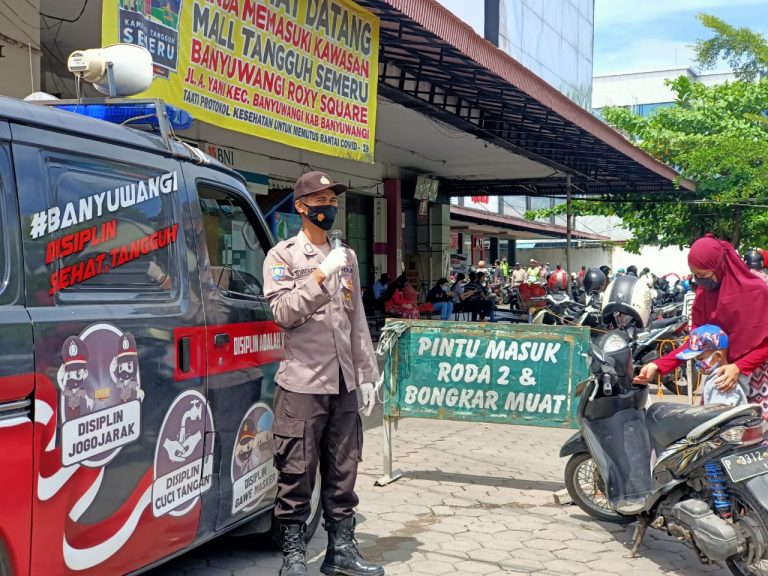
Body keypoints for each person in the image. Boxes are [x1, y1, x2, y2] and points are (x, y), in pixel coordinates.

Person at [262, 171, 384, 576]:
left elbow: (357, 319)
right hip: (302, 382)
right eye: (320, 200)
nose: (328, 207)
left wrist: (367, 373)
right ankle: (294, 556)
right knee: (296, 469)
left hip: (344, 382)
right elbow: (282, 313)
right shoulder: (283, 256)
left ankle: (341, 552)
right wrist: (319, 276)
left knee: (344, 467)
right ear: (301, 207)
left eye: (332, 200)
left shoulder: (346, 257)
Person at [634, 234, 768, 420]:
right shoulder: (703, 297)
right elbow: (696, 343)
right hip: (720, 380)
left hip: (758, 381)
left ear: (720, 267)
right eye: (695, 275)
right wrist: (658, 365)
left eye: (703, 275)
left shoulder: (759, 292)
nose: (699, 280)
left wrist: (738, 367)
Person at [676, 325, 748, 406]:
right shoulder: (717, 377)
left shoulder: (721, 382)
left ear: (717, 356)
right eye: (695, 359)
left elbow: (720, 415)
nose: (697, 363)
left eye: (700, 359)